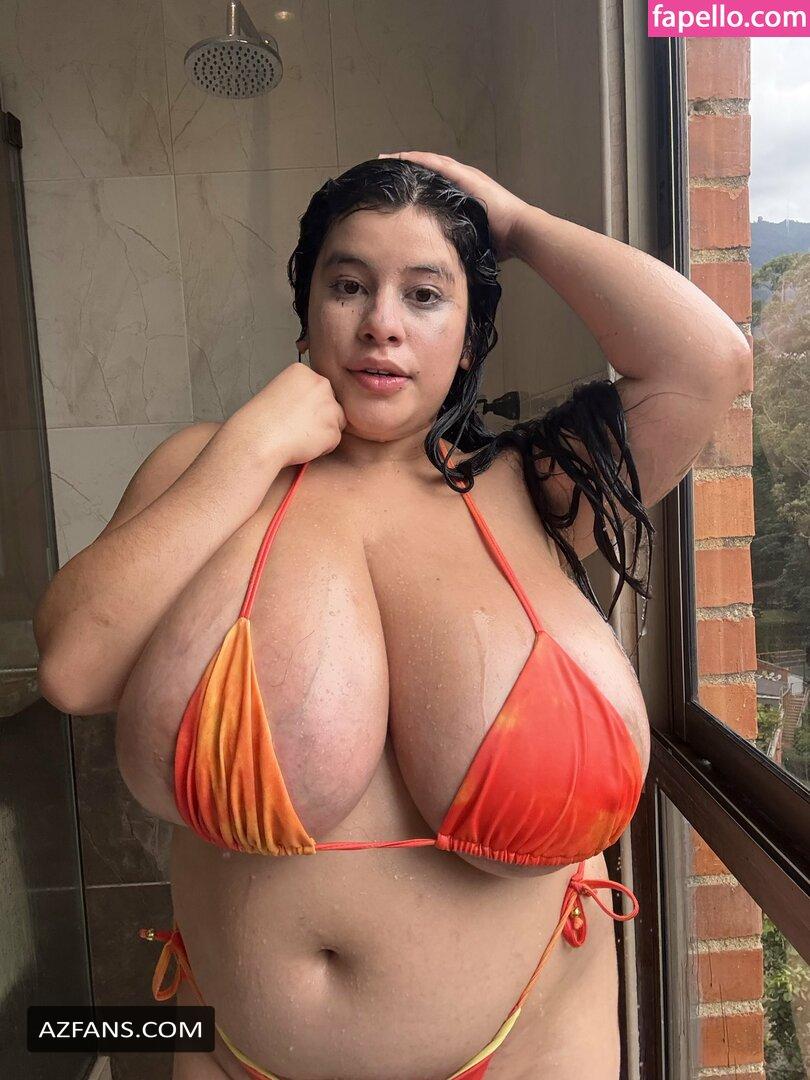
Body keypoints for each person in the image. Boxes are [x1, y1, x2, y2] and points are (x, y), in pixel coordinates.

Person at [35, 152, 751, 1079]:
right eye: (348, 286)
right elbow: (72, 669)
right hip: (233, 1056)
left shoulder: (537, 490)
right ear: (306, 312)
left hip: (530, 1051)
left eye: (424, 294)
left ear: (471, 335)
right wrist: (248, 450)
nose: (381, 323)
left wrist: (515, 220)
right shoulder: (214, 470)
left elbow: (707, 364)